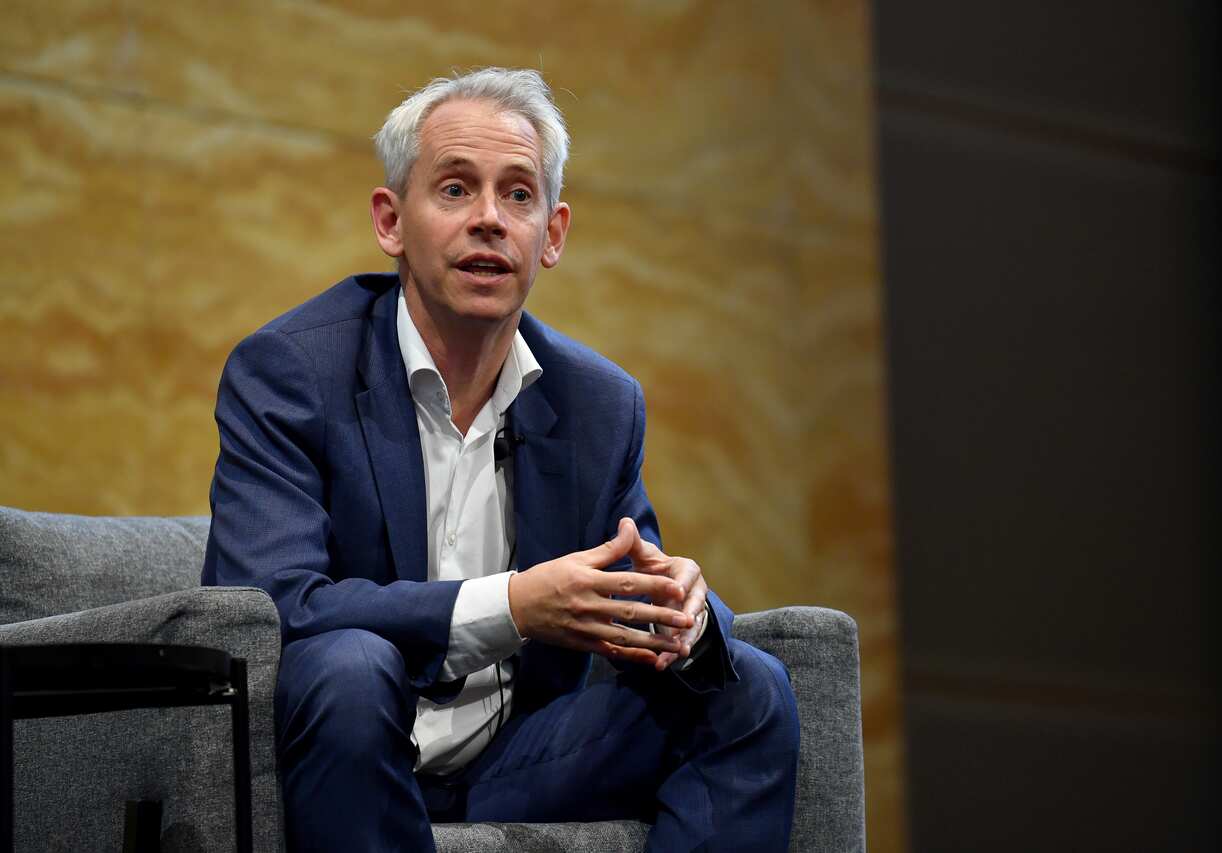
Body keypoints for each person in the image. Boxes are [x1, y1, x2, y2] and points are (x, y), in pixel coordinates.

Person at [202, 67, 799, 853]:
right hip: (341, 751)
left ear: (551, 235)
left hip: (515, 760)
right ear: (391, 222)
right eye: (454, 189)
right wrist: (514, 606)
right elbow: (268, 607)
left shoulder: (598, 405)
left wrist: (684, 612)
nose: (489, 219)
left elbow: (628, 592)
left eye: (518, 195)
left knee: (750, 687)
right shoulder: (290, 371)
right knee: (349, 666)